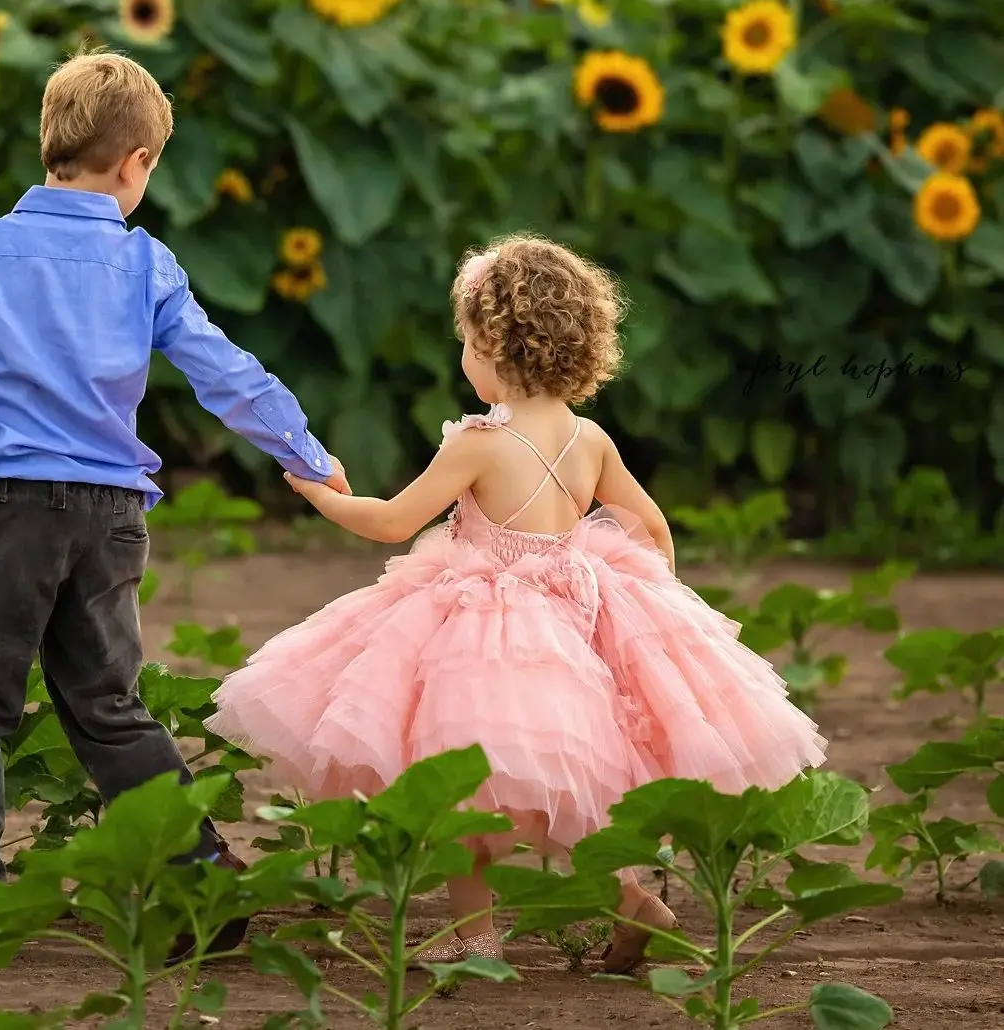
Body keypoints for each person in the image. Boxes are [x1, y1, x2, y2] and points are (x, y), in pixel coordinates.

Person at [207, 235, 826, 973]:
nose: (462, 358)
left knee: (469, 792)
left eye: (465, 342)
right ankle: (634, 904)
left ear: (494, 345)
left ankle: (477, 942)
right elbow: (652, 526)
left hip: (487, 635)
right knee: (582, 783)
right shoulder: (588, 437)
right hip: (574, 627)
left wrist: (317, 491)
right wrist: (643, 604)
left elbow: (395, 521)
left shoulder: (477, 442)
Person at [0, 49, 349, 958]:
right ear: (135, 163)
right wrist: (306, 451)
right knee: (107, 702)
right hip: (111, 515)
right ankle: (199, 883)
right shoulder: (143, 261)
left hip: (13, 510)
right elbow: (223, 372)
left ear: (50, 141)